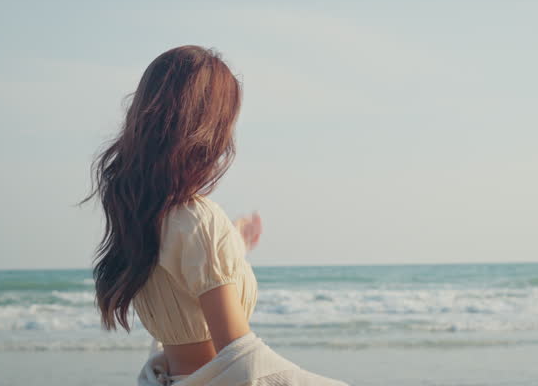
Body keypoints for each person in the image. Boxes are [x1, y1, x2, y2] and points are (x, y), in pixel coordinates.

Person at [79, 46, 348, 385]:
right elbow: (239, 359)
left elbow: (180, 295)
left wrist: (231, 243)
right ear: (207, 127)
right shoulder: (198, 221)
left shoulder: (142, 217)